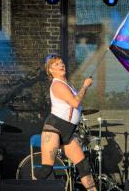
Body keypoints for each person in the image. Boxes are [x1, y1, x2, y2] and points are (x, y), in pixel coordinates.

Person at [35, 54, 97, 191]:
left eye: (61, 62)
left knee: (83, 166)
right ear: (50, 70)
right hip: (54, 129)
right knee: (46, 169)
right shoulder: (57, 85)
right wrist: (85, 86)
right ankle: (27, 186)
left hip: (69, 131)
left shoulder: (67, 84)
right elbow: (75, 102)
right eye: (56, 64)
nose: (61, 65)